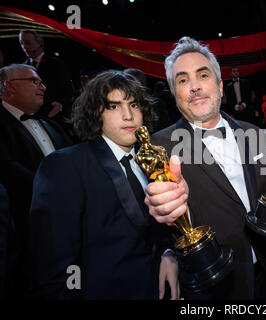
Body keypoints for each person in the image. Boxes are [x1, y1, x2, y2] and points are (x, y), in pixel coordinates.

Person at [144, 36, 266, 299]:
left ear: (220, 85)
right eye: (183, 80)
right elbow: (156, 217)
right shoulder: (160, 147)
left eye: (203, 75)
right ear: (174, 94)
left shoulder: (255, 133)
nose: (195, 87)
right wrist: (168, 246)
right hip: (215, 286)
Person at [28, 70, 179, 300]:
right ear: (95, 112)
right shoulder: (63, 166)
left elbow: (163, 230)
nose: (128, 116)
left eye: (134, 105)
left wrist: (169, 254)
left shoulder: (154, 160)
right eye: (114, 106)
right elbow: (56, 262)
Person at [0, 64, 73, 298]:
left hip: (69, 227)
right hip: (23, 233)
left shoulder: (52, 124)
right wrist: (52, 194)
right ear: (9, 86)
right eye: (34, 81)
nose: (43, 87)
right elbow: (6, 170)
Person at [19, 30, 74, 127]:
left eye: (28, 42)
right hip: (33, 118)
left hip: (56, 117)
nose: (24, 47)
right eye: (21, 43)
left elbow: (69, 89)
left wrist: (60, 105)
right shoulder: (22, 67)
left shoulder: (56, 64)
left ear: (40, 43)